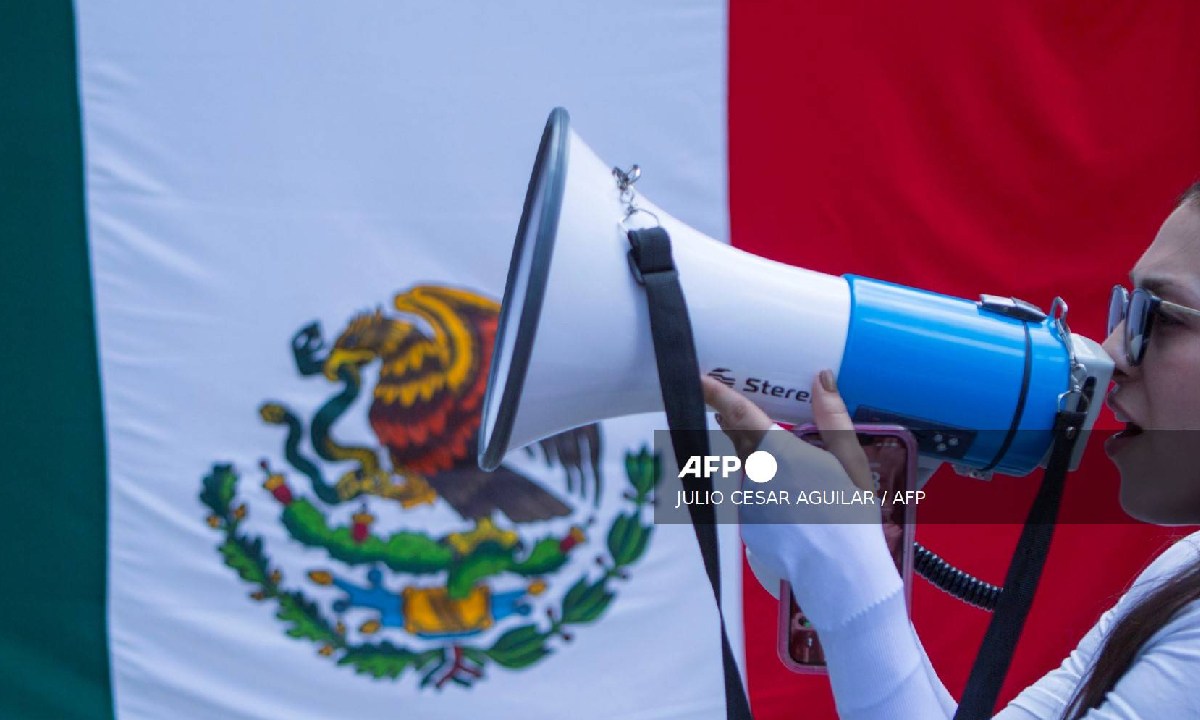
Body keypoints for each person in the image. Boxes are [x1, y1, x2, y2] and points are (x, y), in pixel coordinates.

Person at [702, 182, 1200, 719]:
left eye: (1161, 317)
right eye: (1127, 307)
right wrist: (853, 559)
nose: (1112, 351)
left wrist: (845, 568)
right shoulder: (1183, 570)